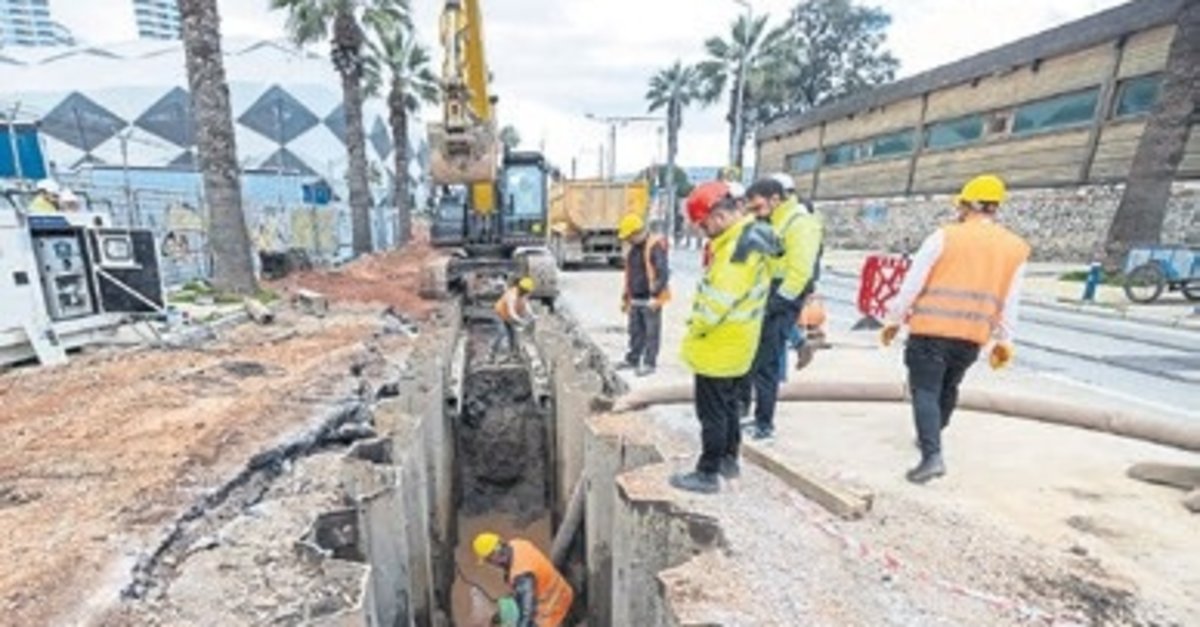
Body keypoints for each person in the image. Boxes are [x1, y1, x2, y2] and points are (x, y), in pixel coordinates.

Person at [881, 174, 1030, 484]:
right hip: (972, 336)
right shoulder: (1015, 248)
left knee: (925, 389)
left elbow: (912, 283)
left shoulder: (945, 237)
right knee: (949, 387)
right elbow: (1010, 298)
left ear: (967, 205)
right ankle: (931, 438)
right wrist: (1005, 339)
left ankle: (932, 456)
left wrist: (893, 319)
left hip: (931, 330)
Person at [671, 181, 779, 494]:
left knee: (712, 414)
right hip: (739, 343)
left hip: (719, 346)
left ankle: (707, 473)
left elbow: (718, 301)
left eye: (704, 225)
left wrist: (697, 328)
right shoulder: (752, 238)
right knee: (731, 406)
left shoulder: (736, 251)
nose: (704, 231)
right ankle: (729, 460)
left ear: (718, 216)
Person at [742, 176, 823, 439]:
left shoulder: (800, 222)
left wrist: (778, 303)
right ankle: (758, 418)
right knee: (757, 358)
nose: (755, 213)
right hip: (769, 293)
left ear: (775, 199)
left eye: (758, 207)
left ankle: (765, 425)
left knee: (767, 362)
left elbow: (799, 271)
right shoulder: (774, 220)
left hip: (783, 297)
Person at [473, 532, 573, 627]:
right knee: (509, 606)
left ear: (494, 555)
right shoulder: (517, 544)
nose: (491, 564)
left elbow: (527, 613)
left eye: (488, 560)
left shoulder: (522, 575)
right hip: (556, 591)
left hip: (553, 608)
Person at [617, 213, 670, 377]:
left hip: (650, 299)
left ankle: (649, 362)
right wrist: (626, 296)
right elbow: (631, 274)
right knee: (635, 331)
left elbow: (663, 273)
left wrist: (655, 294)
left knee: (651, 332)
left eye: (629, 237)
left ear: (637, 232)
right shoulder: (633, 250)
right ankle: (633, 358)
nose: (627, 240)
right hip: (636, 297)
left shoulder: (654, 246)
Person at [494, 276, 536, 355]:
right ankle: (492, 352)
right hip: (500, 315)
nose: (528, 293)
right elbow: (512, 312)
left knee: (512, 335)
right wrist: (521, 321)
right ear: (523, 289)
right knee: (502, 333)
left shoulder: (523, 294)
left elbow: (526, 304)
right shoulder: (512, 295)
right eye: (528, 291)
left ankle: (512, 353)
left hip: (508, 317)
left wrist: (532, 315)